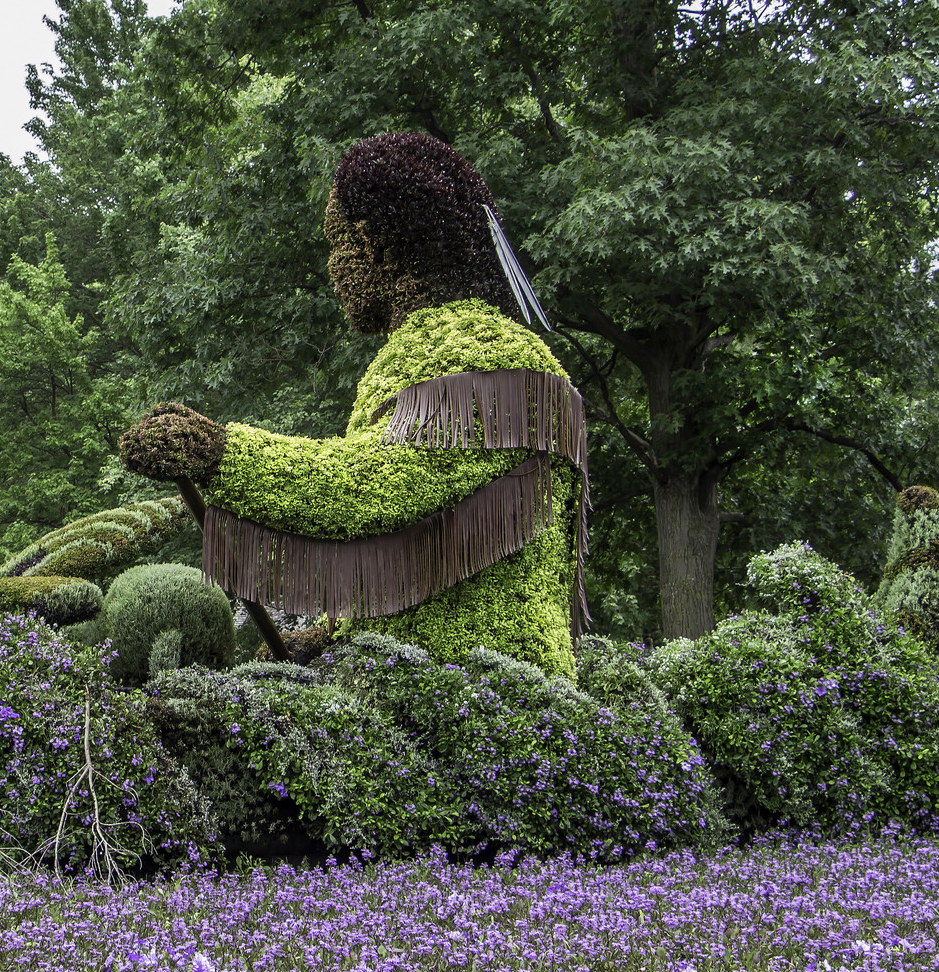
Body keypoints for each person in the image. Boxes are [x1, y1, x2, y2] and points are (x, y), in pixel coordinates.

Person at [119, 132, 588, 675]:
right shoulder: (429, 354)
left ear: (372, 248)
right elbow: (421, 548)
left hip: (481, 698)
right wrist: (327, 634)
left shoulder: (486, 358)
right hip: (422, 677)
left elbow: (383, 487)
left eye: (337, 246)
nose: (333, 272)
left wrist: (220, 454)